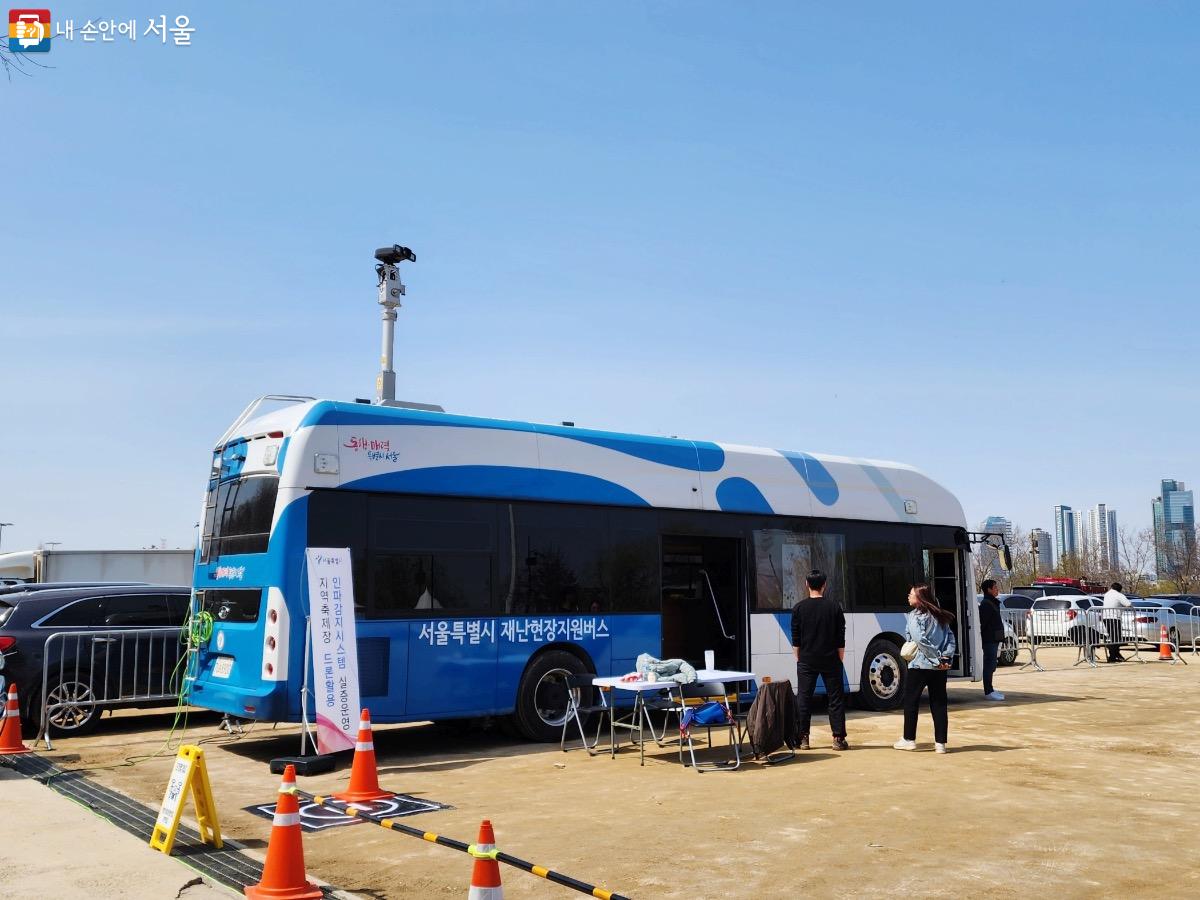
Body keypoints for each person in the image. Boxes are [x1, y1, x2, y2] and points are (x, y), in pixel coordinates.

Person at [894, 584, 956, 754]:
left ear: (920, 598)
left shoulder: (914, 616)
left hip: (920, 665)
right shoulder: (940, 615)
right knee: (939, 703)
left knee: (911, 701)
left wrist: (934, 659)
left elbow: (919, 640)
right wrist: (945, 657)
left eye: (911, 594)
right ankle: (940, 744)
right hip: (940, 667)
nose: (908, 596)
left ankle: (909, 739)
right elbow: (950, 638)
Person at [791, 569, 848, 751]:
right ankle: (838, 738)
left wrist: (799, 658)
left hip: (807, 659)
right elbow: (840, 636)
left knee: (804, 698)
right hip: (831, 659)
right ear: (824, 585)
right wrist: (839, 658)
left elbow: (796, 638)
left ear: (807, 584)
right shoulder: (834, 607)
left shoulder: (799, 608)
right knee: (835, 699)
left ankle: (803, 738)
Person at [978, 580, 1005, 701]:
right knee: (989, 664)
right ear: (988, 589)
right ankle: (988, 691)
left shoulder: (992, 602)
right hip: (989, 639)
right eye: (995, 587)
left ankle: (991, 689)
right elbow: (983, 623)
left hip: (994, 638)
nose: (997, 589)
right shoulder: (986, 604)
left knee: (992, 664)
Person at [1100, 582, 1131, 663]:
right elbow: (1128, 604)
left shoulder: (1107, 594)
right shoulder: (1119, 595)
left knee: (1113, 637)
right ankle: (1112, 656)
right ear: (1119, 589)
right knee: (1116, 638)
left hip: (1105, 617)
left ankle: (1116, 654)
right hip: (1114, 618)